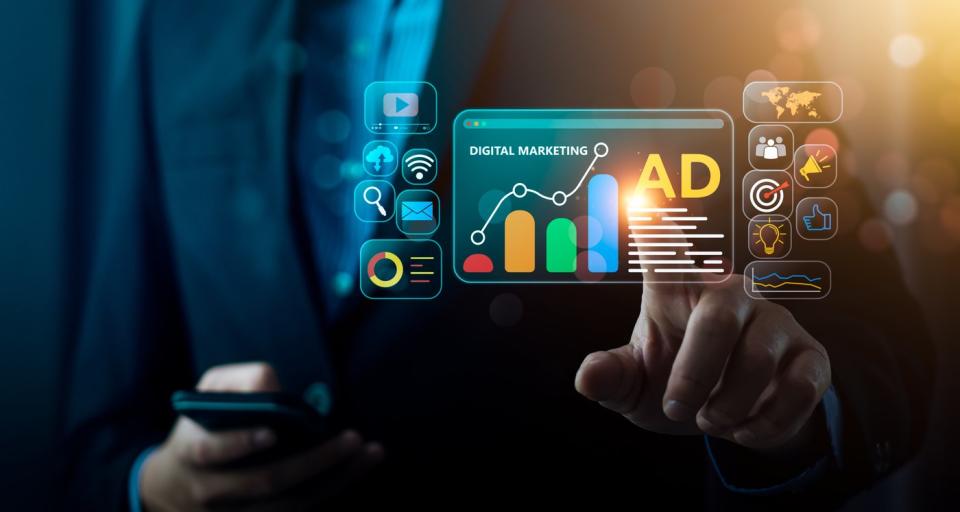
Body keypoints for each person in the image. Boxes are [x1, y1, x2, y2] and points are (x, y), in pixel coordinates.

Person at [62, 2, 934, 510]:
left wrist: (781, 406)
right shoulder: (180, 21)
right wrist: (156, 488)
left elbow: (874, 339)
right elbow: (99, 428)